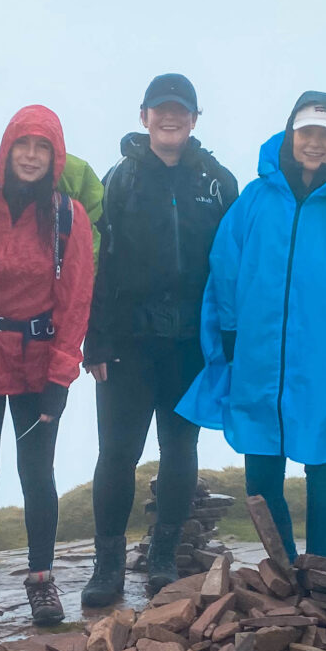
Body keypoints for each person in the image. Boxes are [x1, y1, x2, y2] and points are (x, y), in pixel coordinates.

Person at [178, 95, 326, 562]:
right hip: (259, 355)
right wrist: (230, 340)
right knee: (260, 472)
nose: (314, 143)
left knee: (322, 461)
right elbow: (226, 269)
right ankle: (286, 564)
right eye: (307, 132)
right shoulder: (256, 198)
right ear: (291, 134)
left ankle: (319, 570)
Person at [80, 73, 238, 607]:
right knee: (117, 453)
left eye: (181, 110)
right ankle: (106, 568)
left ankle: (163, 558)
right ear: (144, 115)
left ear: (195, 119)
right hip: (128, 342)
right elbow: (98, 263)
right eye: (160, 109)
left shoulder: (219, 182)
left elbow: (233, 267)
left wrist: (230, 342)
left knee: (180, 449)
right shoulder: (118, 181)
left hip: (192, 342)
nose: (170, 118)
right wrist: (95, 338)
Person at [0, 106, 95, 627]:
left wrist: (62, 376)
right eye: (23, 145)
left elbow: (75, 298)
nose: (32, 156)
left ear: (55, 155)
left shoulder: (68, 217)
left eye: (43, 147)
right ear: (7, 148)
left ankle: (41, 579)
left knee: (37, 473)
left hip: (39, 362)